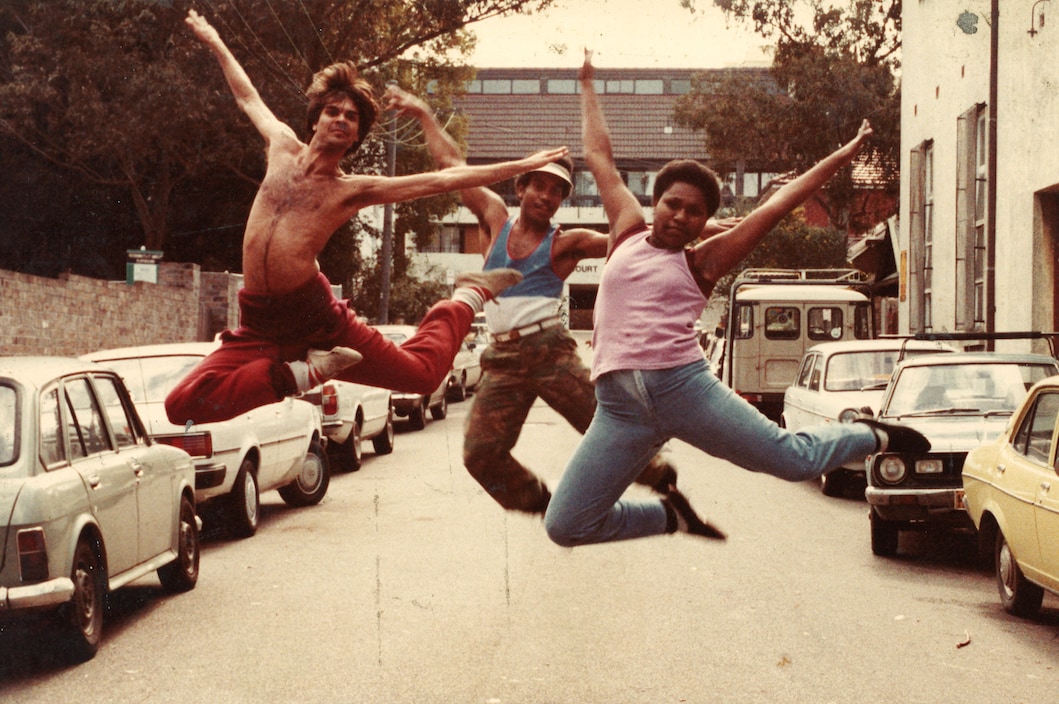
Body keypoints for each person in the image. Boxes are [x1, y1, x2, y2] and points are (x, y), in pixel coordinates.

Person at [543, 50, 930, 547]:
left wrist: (844, 155)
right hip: (620, 409)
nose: (681, 216)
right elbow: (598, 155)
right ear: (655, 201)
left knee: (792, 460)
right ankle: (669, 519)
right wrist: (587, 83)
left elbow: (778, 205)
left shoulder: (702, 262)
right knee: (565, 525)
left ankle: (871, 435)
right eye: (673, 204)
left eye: (695, 212)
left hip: (684, 389)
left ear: (705, 221)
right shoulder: (625, 230)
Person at [165, 10, 570, 426]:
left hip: (318, 320)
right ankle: (303, 374)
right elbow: (247, 96)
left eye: (351, 117)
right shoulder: (281, 146)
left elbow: (443, 179)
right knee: (179, 406)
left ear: (356, 136)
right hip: (259, 324)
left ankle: (470, 294)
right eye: (333, 111)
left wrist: (523, 164)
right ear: (315, 119)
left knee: (421, 376)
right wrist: (214, 41)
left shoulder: (349, 190)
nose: (341, 118)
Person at [386, 86, 721, 514]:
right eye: (539, 187)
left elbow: (637, 236)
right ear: (521, 187)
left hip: (549, 351)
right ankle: (548, 505)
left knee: (605, 425)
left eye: (556, 192)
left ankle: (662, 481)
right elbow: (452, 166)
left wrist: (708, 226)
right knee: (478, 455)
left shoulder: (566, 243)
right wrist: (424, 115)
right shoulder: (493, 219)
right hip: (502, 357)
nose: (547, 197)